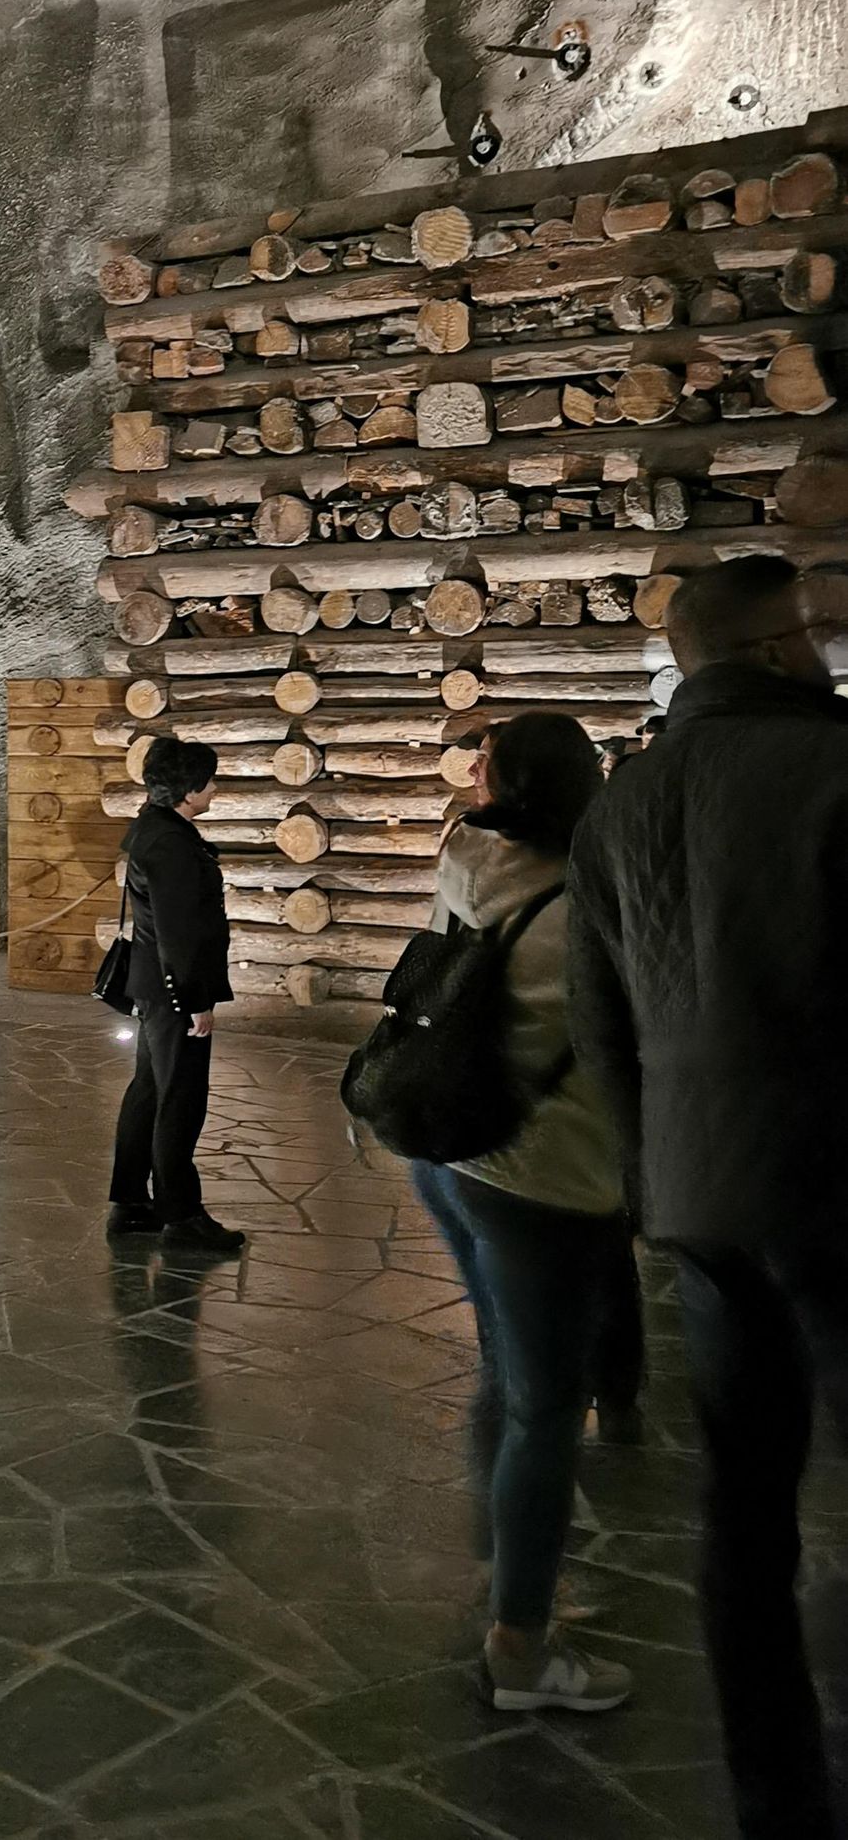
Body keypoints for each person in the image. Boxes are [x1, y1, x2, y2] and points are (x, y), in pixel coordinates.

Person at [569, 554, 848, 1840]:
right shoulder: (829, 771)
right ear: (781, 645)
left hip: (700, 1196)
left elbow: (599, 1023)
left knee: (741, 1510)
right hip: (832, 1185)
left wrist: (647, 1177)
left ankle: (773, 1798)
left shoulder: (620, 808)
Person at [410, 712, 635, 1714]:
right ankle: (519, 1648)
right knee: (549, 1407)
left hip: (455, 1147)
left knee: (508, 1359)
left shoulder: (466, 857)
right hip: (550, 1171)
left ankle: (511, 1523)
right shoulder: (598, 900)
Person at [107, 736, 245, 1256]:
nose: (214, 788)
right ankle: (181, 1214)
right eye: (208, 780)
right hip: (172, 993)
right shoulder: (171, 844)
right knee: (179, 1100)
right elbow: (180, 934)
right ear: (188, 790)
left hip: (154, 988)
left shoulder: (153, 828)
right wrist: (196, 1001)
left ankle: (130, 1201)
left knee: (148, 1089)